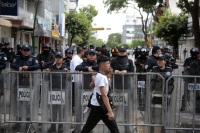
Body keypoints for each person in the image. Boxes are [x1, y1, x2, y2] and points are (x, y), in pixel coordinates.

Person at [81, 55, 120, 133]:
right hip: (98, 107)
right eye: (108, 63)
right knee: (87, 128)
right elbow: (104, 95)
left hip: (101, 106)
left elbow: (92, 86)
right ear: (102, 65)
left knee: (114, 129)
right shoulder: (100, 77)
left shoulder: (101, 76)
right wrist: (110, 111)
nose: (109, 65)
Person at [46, 52, 69, 132]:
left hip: (62, 91)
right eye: (57, 57)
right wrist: (47, 74)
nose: (58, 59)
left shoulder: (65, 68)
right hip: (52, 91)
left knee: (61, 110)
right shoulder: (51, 68)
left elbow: (69, 80)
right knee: (53, 109)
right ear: (55, 58)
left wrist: (67, 74)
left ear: (62, 59)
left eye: (60, 57)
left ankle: (60, 126)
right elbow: (46, 79)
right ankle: (53, 125)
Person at [181, 47, 200, 112]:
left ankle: (197, 108)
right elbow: (185, 67)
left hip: (197, 79)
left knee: (197, 94)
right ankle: (183, 107)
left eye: (195, 53)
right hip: (188, 79)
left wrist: (197, 67)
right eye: (193, 53)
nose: (194, 54)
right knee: (186, 93)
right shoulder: (188, 60)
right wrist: (189, 67)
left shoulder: (199, 60)